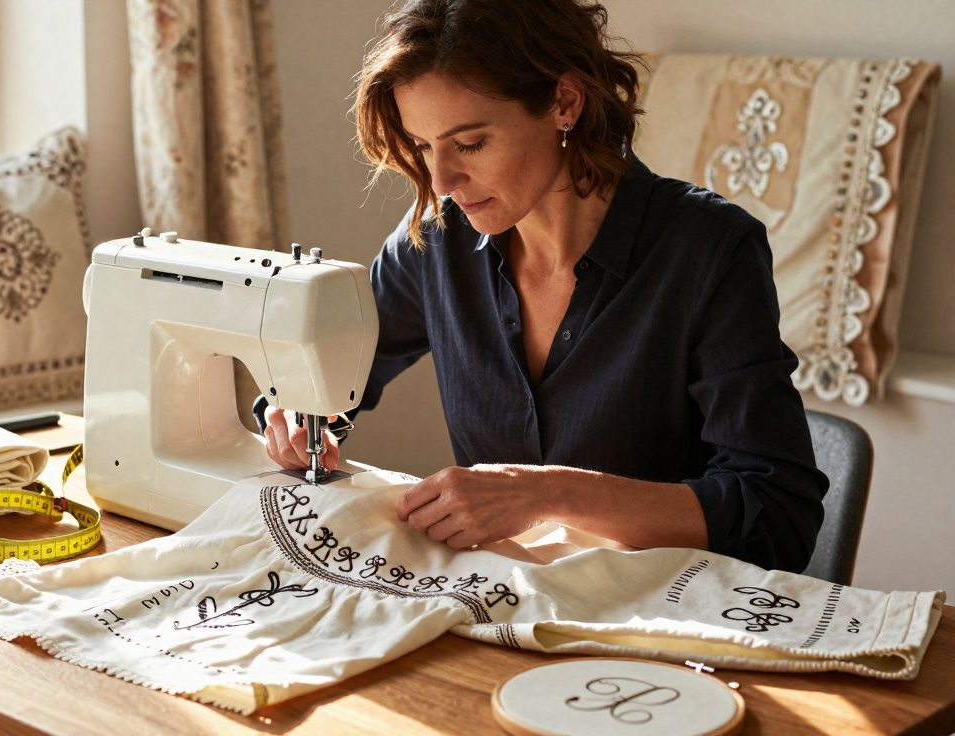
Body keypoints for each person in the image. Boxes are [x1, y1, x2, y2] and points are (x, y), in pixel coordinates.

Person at [261, 0, 828, 572]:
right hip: (508, 611)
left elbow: (778, 516)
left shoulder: (708, 250)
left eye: (470, 144)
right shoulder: (438, 245)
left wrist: (547, 495)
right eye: (425, 147)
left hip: (669, 624)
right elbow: (335, 369)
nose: (442, 181)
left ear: (564, 103)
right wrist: (298, 413)